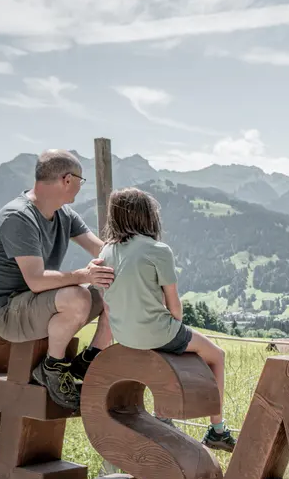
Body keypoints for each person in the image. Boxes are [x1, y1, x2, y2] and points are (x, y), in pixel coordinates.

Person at [98, 188, 236, 451]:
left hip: (124, 335)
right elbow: (174, 304)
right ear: (148, 217)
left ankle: (164, 416)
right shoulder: (158, 250)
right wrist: (176, 329)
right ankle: (217, 429)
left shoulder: (106, 251)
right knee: (216, 355)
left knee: (166, 353)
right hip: (157, 332)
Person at [0, 149, 114, 412]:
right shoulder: (18, 217)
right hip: (10, 312)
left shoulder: (64, 214)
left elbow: (101, 250)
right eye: (80, 180)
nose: (80, 186)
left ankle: (92, 357)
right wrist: (83, 276)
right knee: (77, 296)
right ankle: (52, 368)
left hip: (39, 304)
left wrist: (135, 261)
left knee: (111, 286)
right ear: (67, 179)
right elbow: (36, 281)